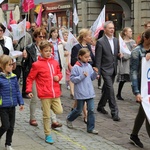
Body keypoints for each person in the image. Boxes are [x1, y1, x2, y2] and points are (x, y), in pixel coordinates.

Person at [23, 27, 62, 128]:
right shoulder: (30, 47)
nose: (42, 38)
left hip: (46, 76)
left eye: (44, 36)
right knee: (35, 98)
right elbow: (25, 65)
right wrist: (25, 57)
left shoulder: (48, 46)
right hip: (35, 75)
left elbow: (54, 60)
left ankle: (53, 120)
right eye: (40, 36)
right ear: (35, 37)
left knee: (50, 97)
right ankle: (32, 117)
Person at [26, 40, 63, 144]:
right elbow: (30, 78)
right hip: (45, 93)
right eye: (46, 51)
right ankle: (48, 134)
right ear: (41, 51)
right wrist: (29, 90)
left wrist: (58, 77)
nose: (48, 53)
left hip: (55, 92)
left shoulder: (54, 62)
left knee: (59, 110)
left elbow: (59, 73)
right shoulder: (37, 65)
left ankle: (46, 107)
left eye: (50, 51)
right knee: (46, 116)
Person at [66, 48, 98, 134]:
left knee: (91, 109)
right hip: (81, 93)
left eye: (88, 57)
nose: (88, 59)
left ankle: (90, 128)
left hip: (89, 92)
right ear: (80, 56)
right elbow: (72, 79)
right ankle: (69, 118)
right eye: (86, 57)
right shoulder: (76, 67)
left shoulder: (89, 66)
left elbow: (91, 78)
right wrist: (82, 76)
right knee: (78, 110)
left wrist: (95, 74)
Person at [95, 21, 122, 121]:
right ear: (105, 29)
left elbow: (115, 54)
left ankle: (100, 106)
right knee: (110, 89)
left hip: (113, 68)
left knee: (107, 89)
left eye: (113, 28)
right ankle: (114, 112)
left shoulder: (115, 40)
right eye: (110, 28)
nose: (112, 30)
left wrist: (119, 55)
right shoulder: (100, 41)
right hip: (105, 69)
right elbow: (98, 58)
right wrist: (97, 71)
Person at [129, 29, 150, 148]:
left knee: (143, 112)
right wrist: (136, 91)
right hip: (144, 88)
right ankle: (134, 135)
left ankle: (134, 135)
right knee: (148, 114)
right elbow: (134, 73)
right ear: (146, 38)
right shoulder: (137, 51)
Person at [71, 28, 95, 123]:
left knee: (80, 99)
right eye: (89, 35)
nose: (90, 37)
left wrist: (93, 67)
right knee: (82, 96)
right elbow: (73, 60)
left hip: (88, 72)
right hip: (79, 72)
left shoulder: (88, 46)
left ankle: (74, 110)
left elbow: (92, 58)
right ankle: (85, 116)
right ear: (84, 37)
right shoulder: (76, 47)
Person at [0, 55, 24, 150]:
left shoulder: (14, 77)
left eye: (12, 64)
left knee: (11, 127)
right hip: (3, 106)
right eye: (9, 65)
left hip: (12, 105)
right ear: (2, 66)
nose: (12, 66)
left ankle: (8, 144)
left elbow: (17, 91)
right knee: (6, 125)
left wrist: (21, 102)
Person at [116, 27, 136, 100]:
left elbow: (133, 53)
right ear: (125, 33)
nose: (131, 33)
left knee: (134, 79)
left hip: (131, 63)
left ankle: (136, 93)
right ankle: (118, 93)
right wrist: (120, 55)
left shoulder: (133, 42)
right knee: (123, 79)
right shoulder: (121, 43)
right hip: (124, 64)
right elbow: (119, 53)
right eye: (130, 31)